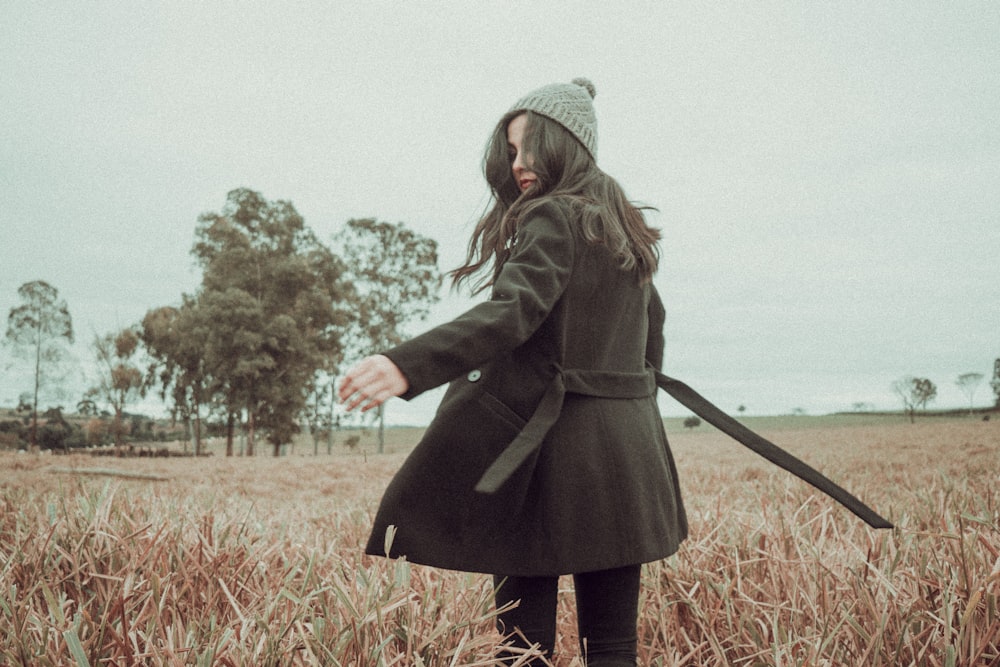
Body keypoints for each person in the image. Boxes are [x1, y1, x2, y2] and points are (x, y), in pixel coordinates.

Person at [339, 77, 683, 665]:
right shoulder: (627, 229)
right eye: (511, 150)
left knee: (523, 652)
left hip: (545, 462)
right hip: (627, 460)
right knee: (614, 650)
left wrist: (406, 365)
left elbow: (512, 312)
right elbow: (653, 339)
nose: (517, 163)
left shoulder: (552, 216)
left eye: (528, 147)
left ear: (564, 145)